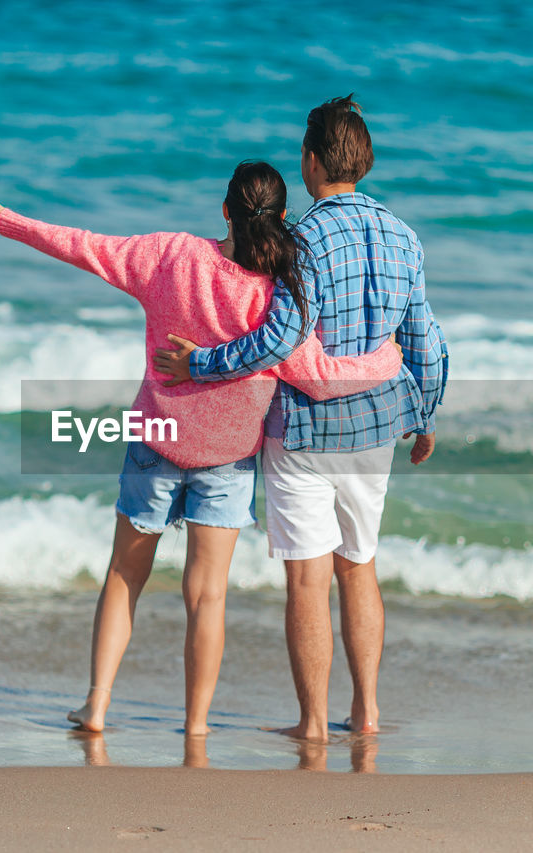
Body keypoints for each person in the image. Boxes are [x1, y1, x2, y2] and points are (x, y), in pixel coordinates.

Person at [0, 160, 401, 736]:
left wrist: (7, 222)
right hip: (228, 458)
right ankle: (195, 726)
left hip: (157, 438)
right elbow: (318, 377)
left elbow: (86, 247)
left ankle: (97, 703)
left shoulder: (170, 256)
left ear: (225, 211)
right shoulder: (280, 296)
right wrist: (386, 360)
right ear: (284, 217)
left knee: (124, 573)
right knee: (206, 596)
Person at [154, 96, 448, 742]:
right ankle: (366, 708)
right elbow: (424, 336)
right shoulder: (406, 238)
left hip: (307, 432)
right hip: (376, 434)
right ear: (362, 159)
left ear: (312, 162)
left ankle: (314, 723)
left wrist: (201, 364)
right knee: (359, 564)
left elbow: (280, 339)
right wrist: (425, 414)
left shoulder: (303, 240)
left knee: (308, 576)